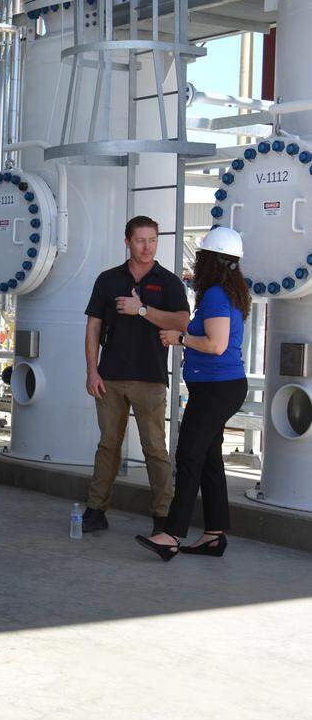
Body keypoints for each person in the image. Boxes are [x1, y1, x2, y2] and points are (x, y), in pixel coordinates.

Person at [137, 227, 249, 560]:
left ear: (211, 261)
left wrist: (179, 339)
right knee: (210, 459)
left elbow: (216, 345)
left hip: (216, 389)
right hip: (220, 387)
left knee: (188, 456)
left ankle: (170, 534)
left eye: (200, 257)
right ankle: (214, 534)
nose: (197, 263)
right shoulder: (228, 291)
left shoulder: (215, 294)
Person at [83, 215, 191, 535]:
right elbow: (93, 327)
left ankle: (162, 516)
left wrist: (142, 309)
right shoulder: (107, 279)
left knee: (155, 449)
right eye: (141, 240)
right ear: (127, 241)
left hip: (151, 378)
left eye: (153, 240)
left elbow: (184, 323)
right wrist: (92, 371)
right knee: (108, 446)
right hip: (110, 378)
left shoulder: (169, 282)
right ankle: (95, 509)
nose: (147, 247)